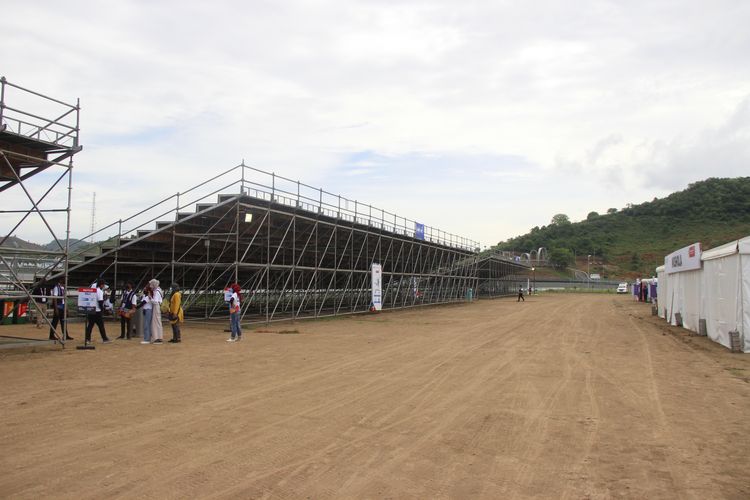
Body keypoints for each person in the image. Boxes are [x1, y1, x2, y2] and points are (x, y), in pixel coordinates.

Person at [84, 279, 111, 345]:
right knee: (101, 325)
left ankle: (87, 339)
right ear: (101, 285)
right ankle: (104, 339)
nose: (104, 286)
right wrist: (103, 310)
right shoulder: (99, 291)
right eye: (103, 285)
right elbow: (100, 302)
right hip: (97, 311)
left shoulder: (93, 290)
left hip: (91, 310)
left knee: (90, 325)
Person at [149, 279, 164, 344]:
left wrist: (150, 298)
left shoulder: (157, 292)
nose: (150, 286)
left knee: (155, 322)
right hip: (157, 307)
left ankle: (157, 337)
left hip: (156, 307)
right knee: (158, 322)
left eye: (151, 285)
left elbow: (155, 301)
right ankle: (159, 337)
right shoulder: (159, 290)